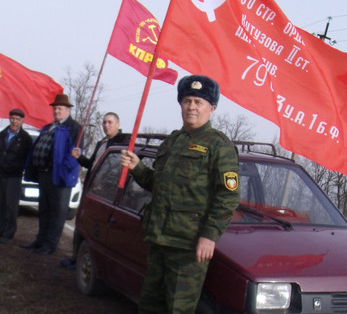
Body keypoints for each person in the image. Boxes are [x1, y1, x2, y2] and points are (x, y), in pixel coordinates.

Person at [120, 75, 240, 313]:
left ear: (211, 108)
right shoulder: (173, 141)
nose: (191, 107)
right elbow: (160, 185)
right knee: (149, 305)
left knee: (178, 309)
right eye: (187, 101)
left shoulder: (219, 146)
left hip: (188, 245)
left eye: (198, 102)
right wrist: (137, 168)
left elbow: (227, 196)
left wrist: (210, 235)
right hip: (160, 238)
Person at [59, 111, 126, 269]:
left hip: (108, 194)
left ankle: (88, 262)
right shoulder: (102, 143)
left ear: (118, 124)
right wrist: (79, 158)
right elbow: (92, 165)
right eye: (104, 122)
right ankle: (76, 257)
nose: (106, 125)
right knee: (83, 223)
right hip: (93, 189)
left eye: (110, 122)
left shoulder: (121, 144)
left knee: (97, 229)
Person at [20, 94, 82, 255]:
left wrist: (64, 168)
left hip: (60, 177)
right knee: (44, 209)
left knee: (57, 212)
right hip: (45, 174)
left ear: (68, 110)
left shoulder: (74, 128)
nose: (57, 111)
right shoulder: (49, 126)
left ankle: (51, 244)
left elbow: (75, 154)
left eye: (60, 108)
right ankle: (40, 239)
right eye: (55, 108)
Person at [0, 108, 33, 244]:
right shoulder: (2, 134)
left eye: (18, 119)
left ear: (22, 121)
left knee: (11, 207)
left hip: (13, 177)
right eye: (12, 118)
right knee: (0, 204)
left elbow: (28, 158)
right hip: (0, 174)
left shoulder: (26, 138)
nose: (14, 121)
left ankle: (9, 234)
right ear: (9, 119)